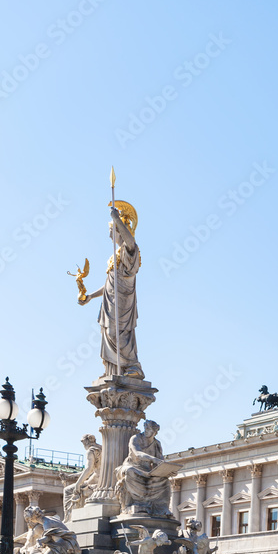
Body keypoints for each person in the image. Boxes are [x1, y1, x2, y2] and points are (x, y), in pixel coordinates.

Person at [79, 204, 144, 379]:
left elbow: (130, 242)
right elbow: (109, 283)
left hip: (123, 299)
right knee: (108, 333)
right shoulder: (114, 254)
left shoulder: (129, 251)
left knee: (117, 332)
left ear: (120, 230)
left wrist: (116, 219)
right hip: (110, 300)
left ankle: (132, 366)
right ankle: (114, 370)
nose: (109, 235)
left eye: (112, 230)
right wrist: (91, 296)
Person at [114, 419, 173, 517]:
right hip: (131, 466)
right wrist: (154, 459)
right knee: (130, 472)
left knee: (165, 480)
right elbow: (137, 454)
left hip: (147, 471)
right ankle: (137, 503)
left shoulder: (157, 444)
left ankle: (162, 508)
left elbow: (160, 461)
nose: (145, 430)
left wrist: (167, 471)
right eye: (145, 427)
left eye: (148, 428)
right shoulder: (135, 438)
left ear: (155, 432)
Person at [18, 506, 82, 554]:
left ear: (33, 519)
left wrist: (40, 540)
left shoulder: (46, 523)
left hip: (62, 545)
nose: (30, 522)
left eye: (30, 520)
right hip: (64, 543)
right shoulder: (49, 518)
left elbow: (47, 538)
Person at [63, 434, 101, 521]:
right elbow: (90, 470)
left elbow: (89, 469)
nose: (83, 445)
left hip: (96, 481)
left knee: (68, 490)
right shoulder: (102, 448)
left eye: (83, 443)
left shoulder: (90, 451)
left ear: (87, 442)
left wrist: (78, 484)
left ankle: (68, 519)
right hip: (99, 479)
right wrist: (70, 476)